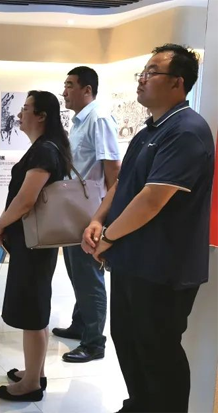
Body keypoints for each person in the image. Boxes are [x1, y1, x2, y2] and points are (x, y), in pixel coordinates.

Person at [82, 44, 214, 413]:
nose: (142, 79)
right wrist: (97, 219)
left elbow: (152, 199)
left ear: (177, 83)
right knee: (129, 341)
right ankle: (139, 405)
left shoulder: (186, 131)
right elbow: (123, 183)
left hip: (162, 268)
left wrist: (108, 237)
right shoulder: (150, 129)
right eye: (142, 72)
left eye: (152, 72)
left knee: (158, 350)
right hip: (132, 261)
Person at [0, 91, 72, 402]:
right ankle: (34, 371)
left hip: (34, 243)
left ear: (41, 116)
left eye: (25, 108)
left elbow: (26, 199)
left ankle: (31, 385)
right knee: (34, 306)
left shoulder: (44, 151)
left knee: (32, 310)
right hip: (33, 241)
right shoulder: (46, 148)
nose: (19, 114)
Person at [52, 66, 121, 363]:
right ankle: (80, 324)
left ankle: (94, 343)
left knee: (88, 275)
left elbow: (113, 169)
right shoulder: (80, 121)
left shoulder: (99, 118)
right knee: (76, 271)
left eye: (70, 85)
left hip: (91, 209)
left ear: (87, 89)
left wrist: (106, 215)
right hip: (76, 206)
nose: (64, 91)